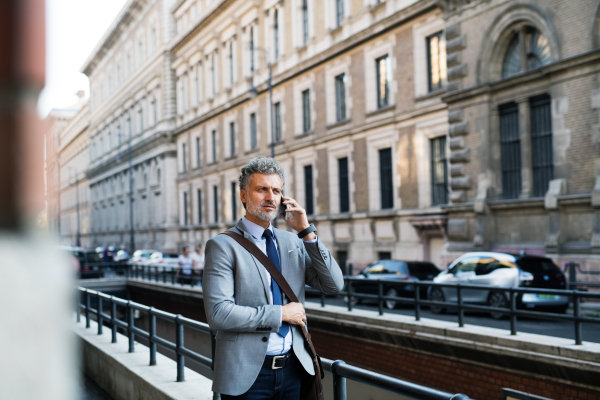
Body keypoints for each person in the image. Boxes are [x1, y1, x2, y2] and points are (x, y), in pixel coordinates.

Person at [203, 156, 344, 399]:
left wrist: (307, 232)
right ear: (244, 196)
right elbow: (218, 313)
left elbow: (333, 285)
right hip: (247, 376)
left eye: (276, 190)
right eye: (262, 189)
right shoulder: (222, 246)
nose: (270, 197)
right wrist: (280, 314)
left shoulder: (292, 242)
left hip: (294, 371)